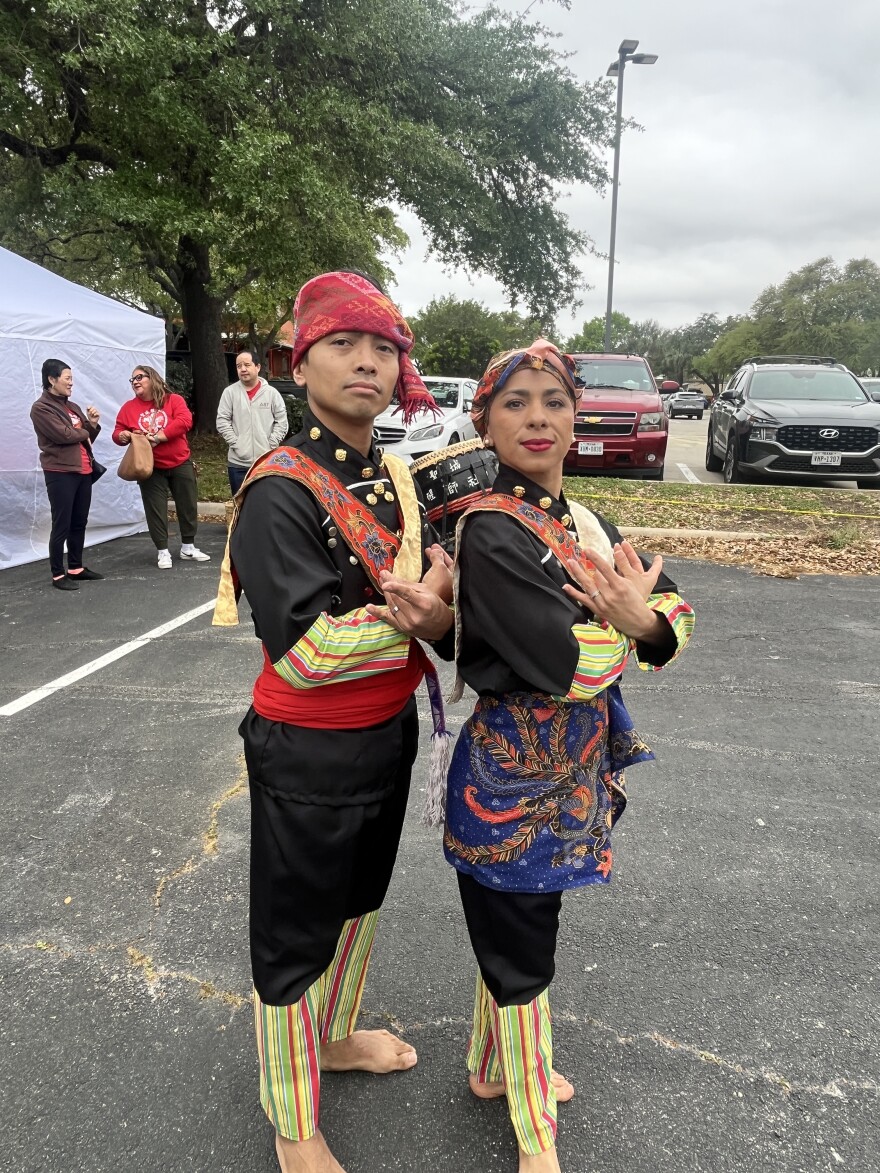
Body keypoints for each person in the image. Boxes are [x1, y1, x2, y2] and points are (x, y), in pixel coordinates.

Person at [391, 340, 695, 1173]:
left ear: (576, 418)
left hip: (570, 774)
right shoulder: (492, 527)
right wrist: (636, 627)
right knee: (521, 950)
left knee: (523, 930)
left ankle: (493, 1070)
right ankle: (535, 1136)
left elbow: (674, 609)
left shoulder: (583, 521)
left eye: (554, 401)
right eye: (516, 401)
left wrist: (647, 622)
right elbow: (567, 667)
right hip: (512, 780)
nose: (537, 417)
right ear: (483, 420)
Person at [212, 270, 455, 1173]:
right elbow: (308, 652)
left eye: (383, 347)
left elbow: (439, 597)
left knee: (358, 904)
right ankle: (290, 1115)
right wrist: (423, 613)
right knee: (292, 933)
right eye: (343, 344)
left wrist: (441, 609)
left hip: (385, 731)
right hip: (309, 747)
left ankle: (337, 1032)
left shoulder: (390, 474)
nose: (366, 362)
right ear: (299, 358)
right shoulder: (281, 490)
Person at [112, 366, 211, 569]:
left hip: (179, 460)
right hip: (149, 466)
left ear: (153, 378)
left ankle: (188, 547)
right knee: (155, 509)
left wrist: (158, 437)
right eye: (132, 380)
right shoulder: (128, 408)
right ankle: (162, 551)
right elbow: (118, 431)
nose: (135, 382)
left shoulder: (173, 400)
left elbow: (185, 421)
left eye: (139, 377)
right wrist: (122, 436)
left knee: (188, 505)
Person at [30, 358, 105, 591]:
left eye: (72, 378)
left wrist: (91, 424)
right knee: (61, 523)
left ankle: (76, 567)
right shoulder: (41, 408)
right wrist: (80, 431)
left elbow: (85, 438)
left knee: (79, 521)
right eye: (67, 378)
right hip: (60, 472)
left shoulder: (72, 407)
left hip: (83, 470)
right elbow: (63, 436)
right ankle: (57, 574)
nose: (71, 383)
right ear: (52, 380)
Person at [216, 351, 288, 494]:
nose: (243, 369)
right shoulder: (229, 393)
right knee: (241, 507)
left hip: (265, 462)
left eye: (247, 365)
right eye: (238, 366)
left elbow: (282, 422)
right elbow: (222, 420)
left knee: (266, 506)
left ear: (258, 367)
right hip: (238, 465)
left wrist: (271, 444)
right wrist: (236, 443)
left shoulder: (272, 393)